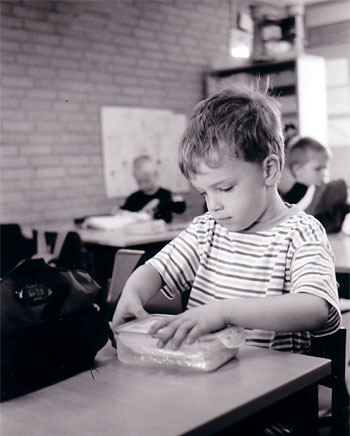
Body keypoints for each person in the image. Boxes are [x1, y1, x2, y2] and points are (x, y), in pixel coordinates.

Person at [112, 85, 340, 356]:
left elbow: (315, 309)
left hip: (276, 385)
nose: (213, 205)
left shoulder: (302, 232)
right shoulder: (207, 229)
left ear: (269, 169)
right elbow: (157, 269)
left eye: (225, 188)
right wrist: (133, 292)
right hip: (208, 373)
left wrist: (225, 312)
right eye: (204, 192)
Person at [279, 136, 350, 233]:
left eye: (325, 168)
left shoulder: (323, 189)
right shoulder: (292, 197)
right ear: (297, 170)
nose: (324, 173)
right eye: (318, 169)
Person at [119, 155, 186, 223]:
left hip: (163, 231)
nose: (143, 185)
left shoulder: (165, 194)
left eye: (146, 180)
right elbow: (124, 212)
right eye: (139, 182)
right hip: (141, 231)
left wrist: (162, 202)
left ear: (156, 175)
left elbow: (180, 207)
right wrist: (120, 211)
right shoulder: (133, 198)